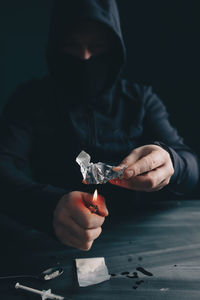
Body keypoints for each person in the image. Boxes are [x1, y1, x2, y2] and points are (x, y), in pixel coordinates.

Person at [0, 0, 199, 251]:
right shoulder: (30, 100)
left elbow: (190, 165)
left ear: (115, 49)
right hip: (55, 245)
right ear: (55, 47)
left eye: (97, 46)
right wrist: (48, 206)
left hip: (141, 243)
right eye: (72, 46)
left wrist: (171, 161)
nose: (84, 57)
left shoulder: (141, 100)